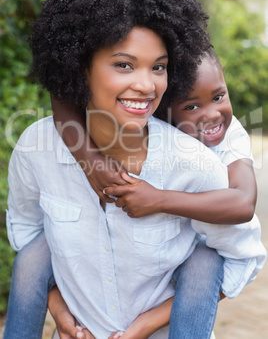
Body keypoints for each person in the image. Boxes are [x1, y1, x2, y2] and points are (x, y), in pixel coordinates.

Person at [4, 0, 266, 339]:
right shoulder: (37, 149)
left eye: (158, 67)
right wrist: (60, 310)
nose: (146, 85)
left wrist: (144, 326)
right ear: (79, 66)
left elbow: (240, 250)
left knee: (203, 261)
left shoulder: (200, 159)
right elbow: (28, 232)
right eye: (125, 65)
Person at [100, 47, 263, 338]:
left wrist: (158, 200)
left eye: (218, 97)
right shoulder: (153, 139)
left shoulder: (232, 132)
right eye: (191, 107)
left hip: (209, 257)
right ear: (164, 115)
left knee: (204, 261)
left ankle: (148, 324)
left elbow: (243, 204)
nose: (211, 114)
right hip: (154, 259)